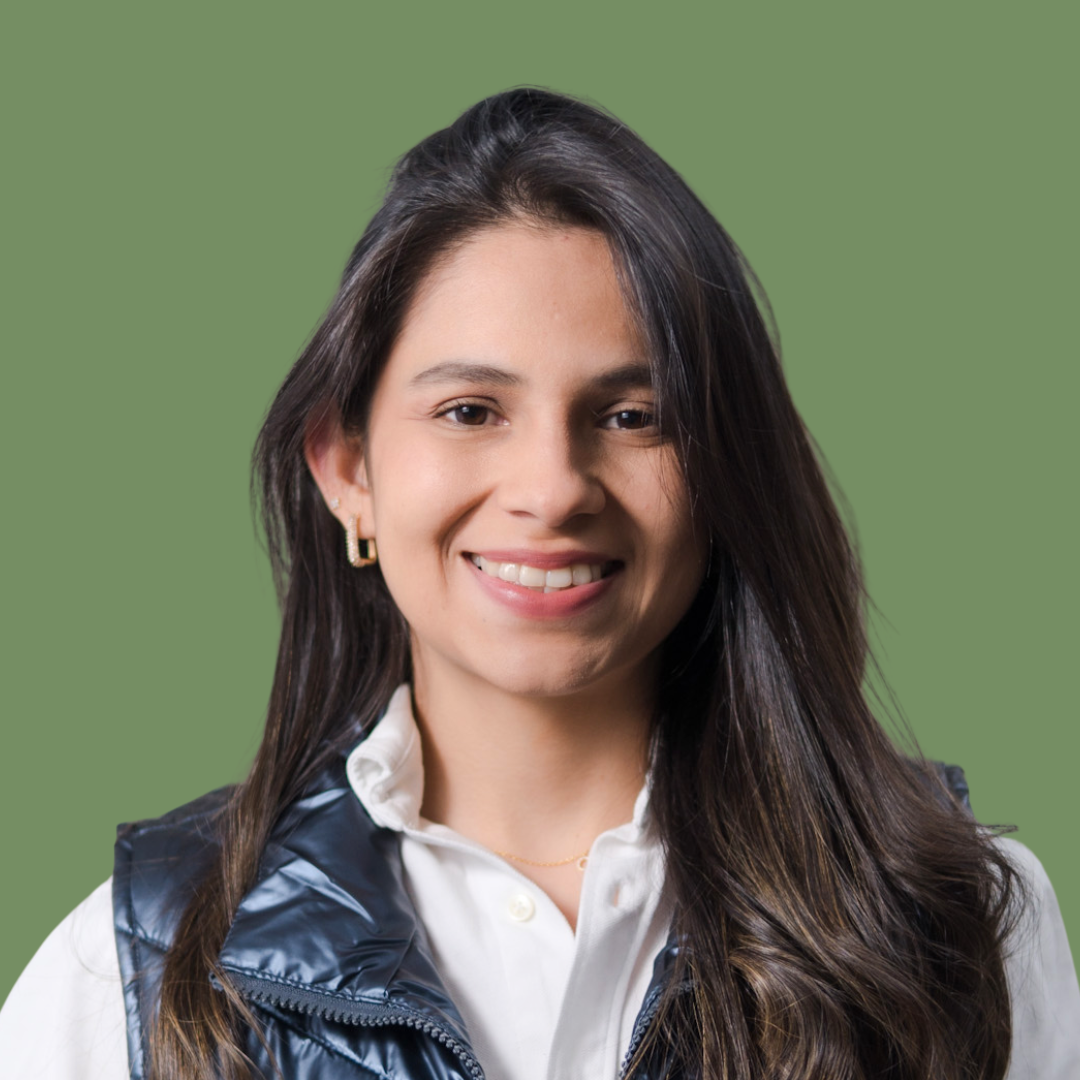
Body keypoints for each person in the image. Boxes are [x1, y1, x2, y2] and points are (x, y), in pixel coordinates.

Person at [1, 87, 1077, 1080]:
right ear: (349, 470)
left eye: (631, 416)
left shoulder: (954, 913)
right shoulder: (141, 962)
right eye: (470, 411)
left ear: (725, 467)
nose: (554, 489)